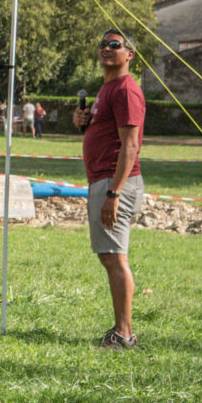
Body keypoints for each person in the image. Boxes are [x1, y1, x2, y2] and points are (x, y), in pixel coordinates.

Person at [72, 29, 145, 350]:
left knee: (115, 257)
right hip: (103, 180)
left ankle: (124, 335)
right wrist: (83, 122)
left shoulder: (126, 90)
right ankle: (120, 329)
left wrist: (114, 194)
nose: (106, 48)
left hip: (116, 182)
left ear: (129, 54)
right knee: (109, 256)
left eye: (115, 45)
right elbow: (106, 132)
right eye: (102, 43)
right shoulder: (107, 89)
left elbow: (131, 145)